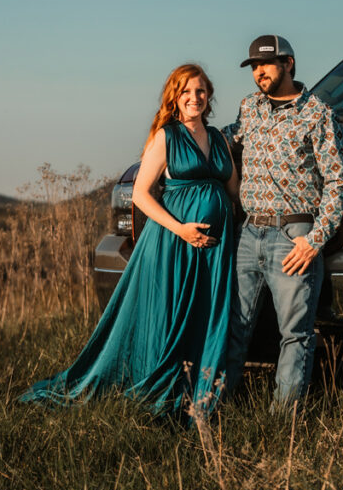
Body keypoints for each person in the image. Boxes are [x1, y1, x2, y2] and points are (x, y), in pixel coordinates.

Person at [20, 64, 238, 420]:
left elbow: (233, 190)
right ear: (175, 97)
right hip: (173, 241)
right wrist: (181, 228)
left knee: (206, 313)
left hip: (215, 247)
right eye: (186, 91)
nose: (194, 98)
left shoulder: (218, 139)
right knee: (170, 314)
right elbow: (141, 194)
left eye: (200, 91)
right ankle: (162, 388)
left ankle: (202, 392)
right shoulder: (167, 136)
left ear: (209, 95)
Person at [223, 34, 343, 407]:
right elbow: (228, 141)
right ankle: (217, 407)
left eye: (266, 64)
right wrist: (179, 135)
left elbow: (338, 183)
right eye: (253, 67)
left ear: (289, 64)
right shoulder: (250, 108)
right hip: (248, 233)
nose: (259, 72)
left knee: (295, 333)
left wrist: (314, 239)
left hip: (294, 235)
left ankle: (283, 422)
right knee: (234, 328)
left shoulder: (319, 115)